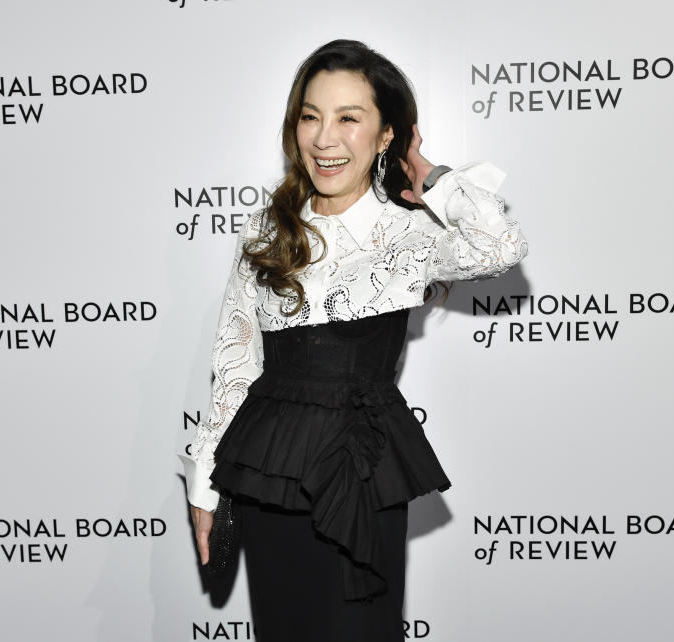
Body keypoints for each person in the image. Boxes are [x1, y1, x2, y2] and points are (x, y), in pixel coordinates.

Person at [178, 39, 527, 641]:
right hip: (268, 474)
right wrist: (205, 482)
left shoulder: (409, 230)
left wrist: (432, 178)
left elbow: (499, 246)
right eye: (310, 116)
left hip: (359, 472)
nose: (324, 138)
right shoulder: (270, 227)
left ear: (385, 134)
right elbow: (236, 359)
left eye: (348, 118)